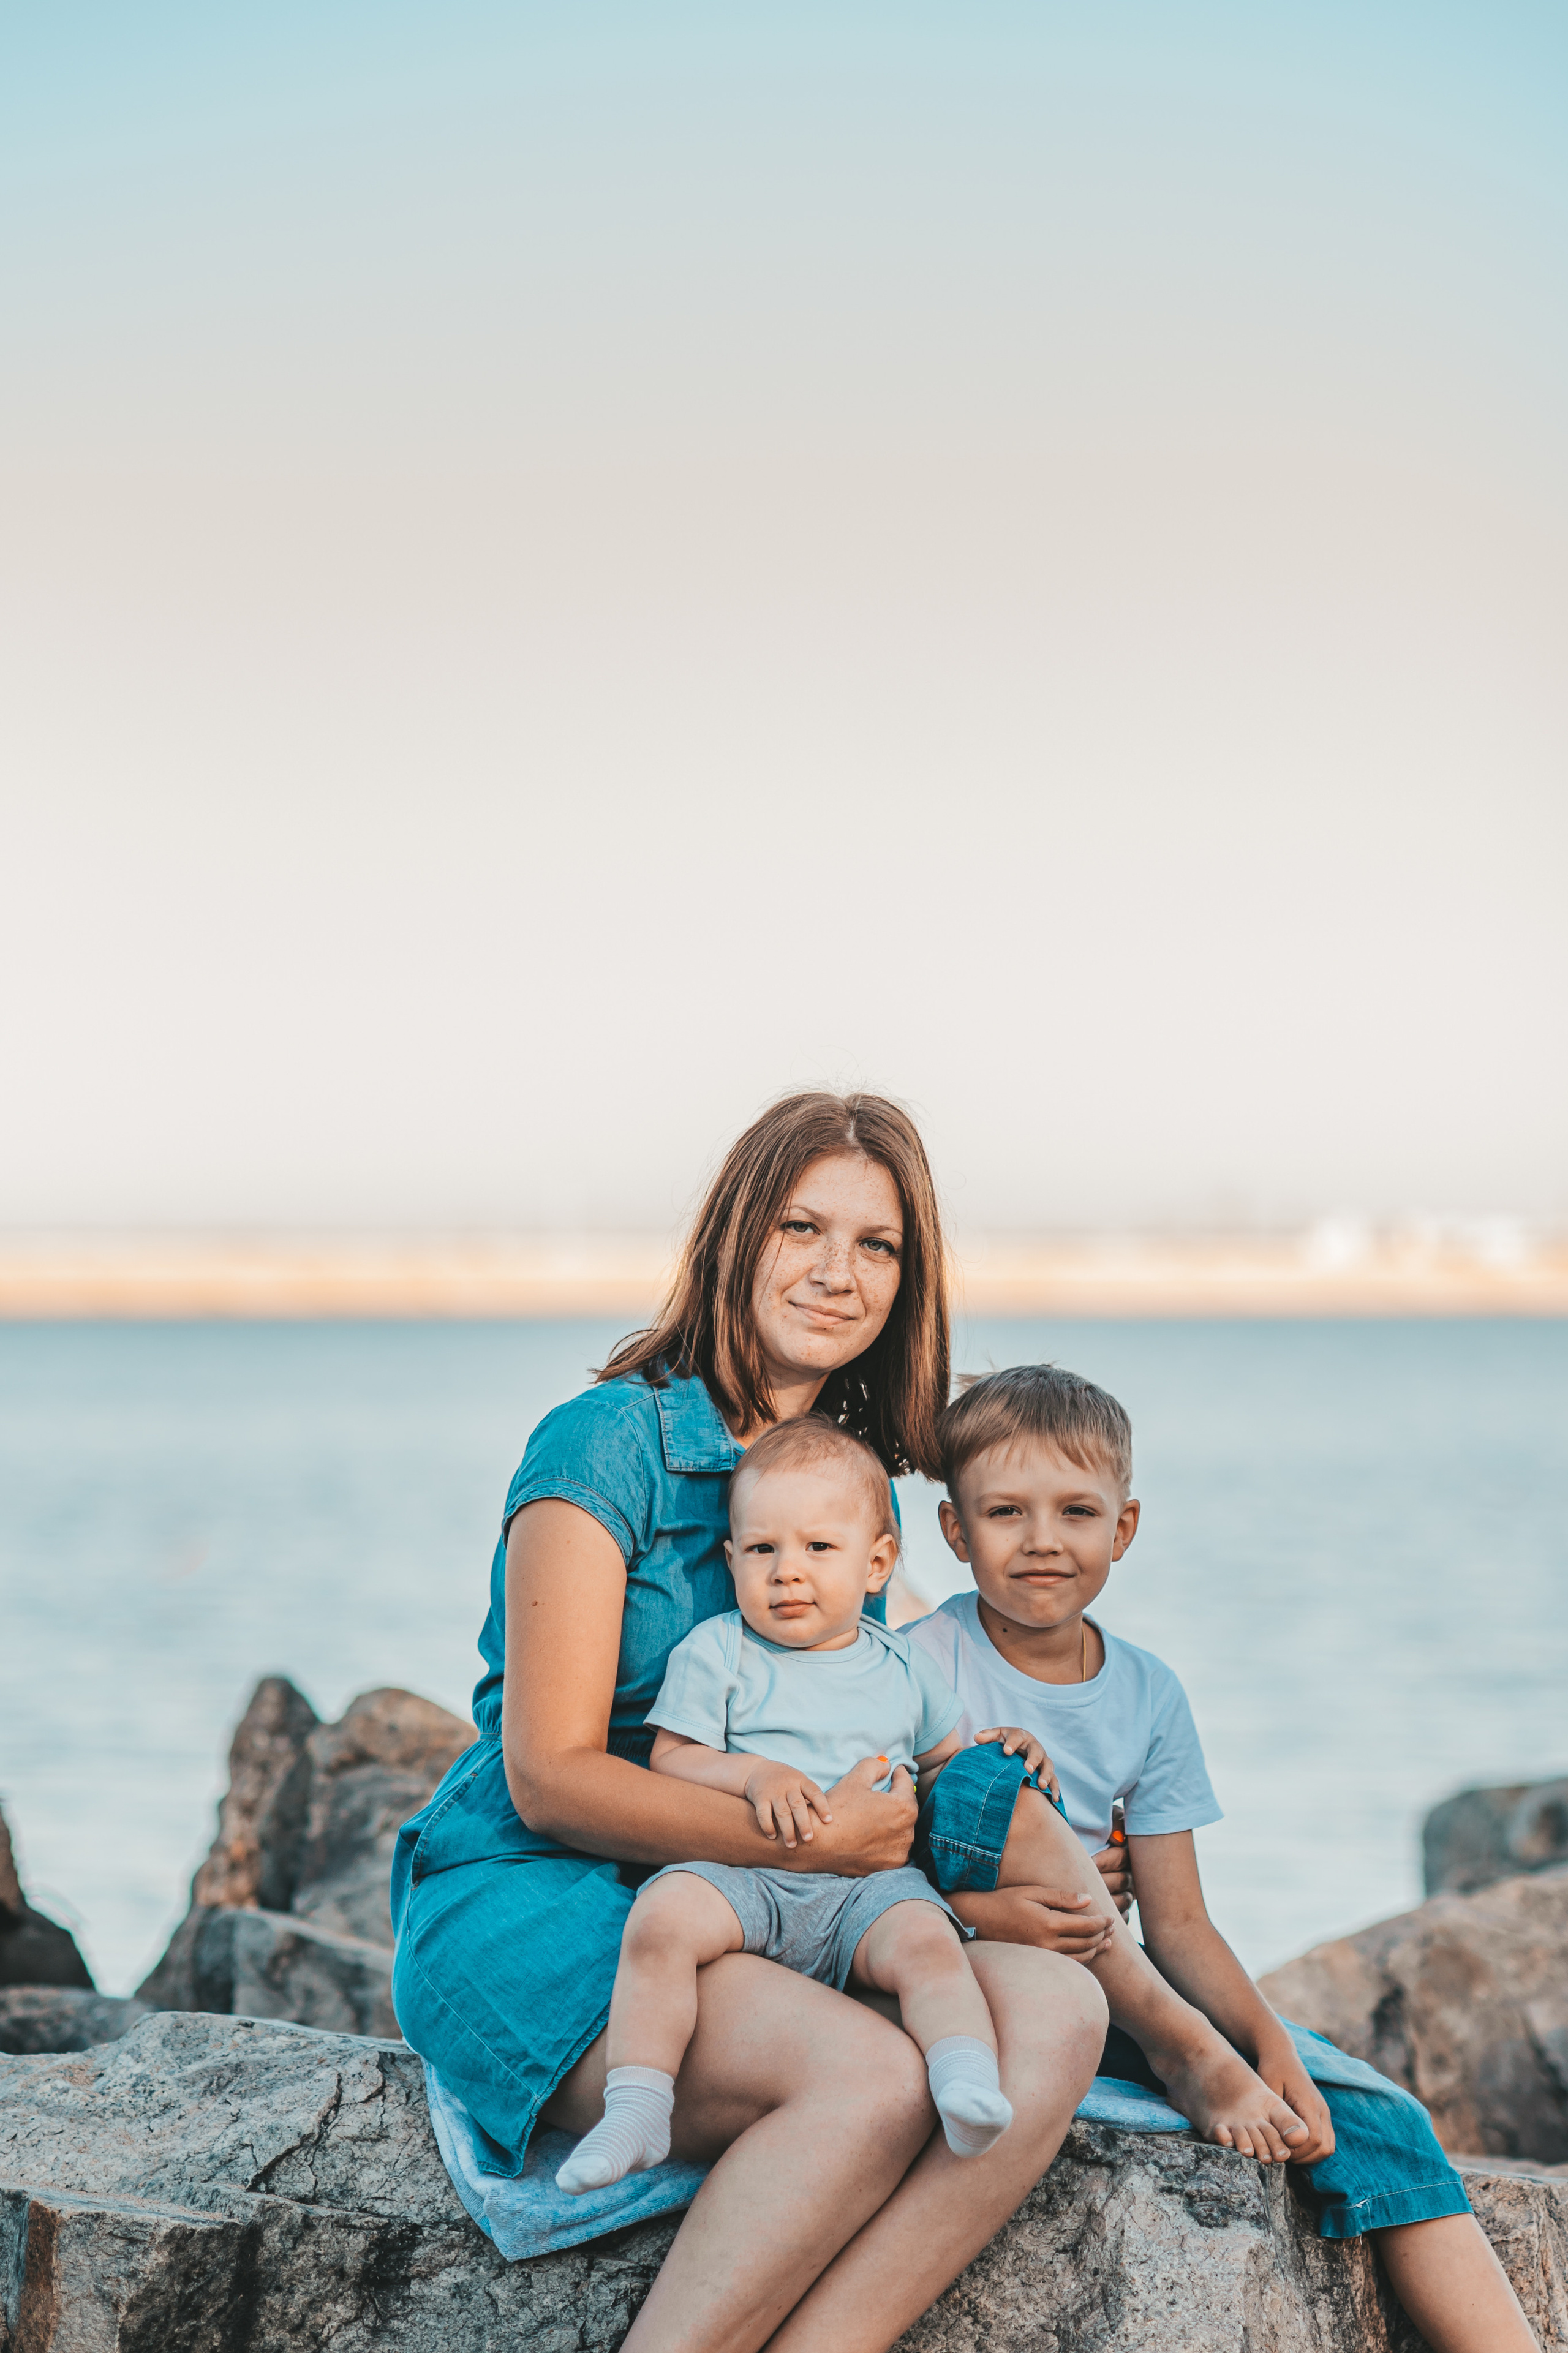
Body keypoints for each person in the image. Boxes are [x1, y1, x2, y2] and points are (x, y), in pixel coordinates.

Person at [390, 1095, 1109, 2353]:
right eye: (801, 1227)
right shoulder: (602, 1444)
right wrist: (818, 1844)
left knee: (1056, 2011)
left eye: (877, 1245)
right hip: (544, 1896)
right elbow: (551, 1774)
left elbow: (872, 1743)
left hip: (767, 1902)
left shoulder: (846, 1485)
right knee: (870, 2076)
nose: (838, 1272)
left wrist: (1018, 1865)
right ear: (735, 1232)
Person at [904, 1361, 1542, 2353]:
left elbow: (1180, 1922)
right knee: (989, 1775)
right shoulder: (920, 1660)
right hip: (966, 1979)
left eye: (1077, 1511)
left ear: (1124, 1527)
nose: (1042, 1539)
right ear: (955, 1530)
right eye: (1005, 1512)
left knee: (1372, 2112)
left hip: (1115, 1992)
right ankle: (1188, 2053)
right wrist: (984, 1914)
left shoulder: (1149, 1694)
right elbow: (871, 1860)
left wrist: (1271, 2043)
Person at [557, 1416, 1020, 2195]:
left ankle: (964, 2077)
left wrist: (1006, 1751)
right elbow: (672, 1757)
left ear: (877, 1563)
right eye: (762, 1549)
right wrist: (753, 1775)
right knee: (662, 1917)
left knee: (928, 1944)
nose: (787, 1572)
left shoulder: (904, 1664)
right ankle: (636, 2106)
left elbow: (946, 1765)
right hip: (748, 1875)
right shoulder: (719, 1649)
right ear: (731, 1559)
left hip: (867, 1890)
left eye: (819, 1547)